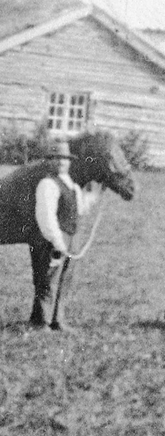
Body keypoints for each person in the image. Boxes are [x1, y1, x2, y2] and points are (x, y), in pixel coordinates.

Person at [30, 139, 101, 330]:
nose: (61, 162)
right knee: (48, 279)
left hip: (71, 236)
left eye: (64, 158)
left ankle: (57, 319)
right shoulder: (47, 184)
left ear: (69, 161)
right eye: (56, 158)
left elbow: (80, 208)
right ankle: (41, 321)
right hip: (53, 238)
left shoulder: (71, 184)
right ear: (49, 161)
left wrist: (96, 193)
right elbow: (46, 216)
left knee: (66, 279)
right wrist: (56, 240)